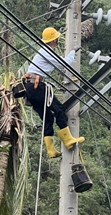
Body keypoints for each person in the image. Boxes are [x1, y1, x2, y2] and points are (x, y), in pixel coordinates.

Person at [24, 27, 85, 158]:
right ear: (54, 40)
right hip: (37, 86)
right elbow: (65, 63)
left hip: (30, 88)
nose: (57, 41)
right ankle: (68, 140)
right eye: (56, 39)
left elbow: (59, 66)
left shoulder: (43, 52)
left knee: (48, 118)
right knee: (59, 109)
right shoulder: (47, 52)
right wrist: (73, 52)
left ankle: (51, 150)